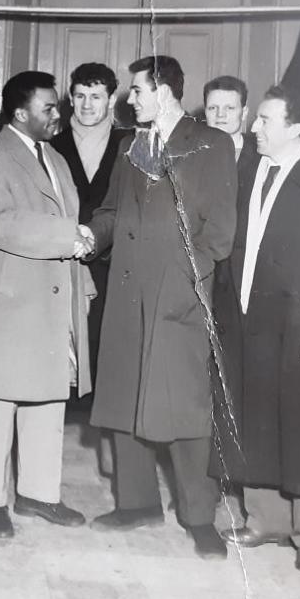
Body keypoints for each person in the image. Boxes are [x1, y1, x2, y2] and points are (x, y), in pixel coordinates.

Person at [85, 55, 237, 559]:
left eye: (137, 90)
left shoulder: (211, 144)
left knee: (186, 410)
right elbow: (111, 210)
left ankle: (200, 518)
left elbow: (218, 235)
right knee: (126, 398)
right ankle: (136, 504)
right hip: (128, 293)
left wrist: (185, 281)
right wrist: (92, 234)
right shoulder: (131, 145)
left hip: (179, 295)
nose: (130, 99)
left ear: (165, 92)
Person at [214, 85, 300, 573]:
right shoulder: (250, 172)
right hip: (252, 322)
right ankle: (264, 518)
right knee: (256, 419)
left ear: (295, 127)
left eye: (265, 120)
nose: (254, 128)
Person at [0, 71, 94, 539]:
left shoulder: (56, 158)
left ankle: (39, 493)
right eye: (49, 107)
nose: (58, 114)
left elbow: (70, 216)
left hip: (57, 288)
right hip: (16, 294)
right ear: (20, 112)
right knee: (0, 396)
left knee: (48, 394)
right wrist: (69, 237)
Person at [51, 62, 129, 395]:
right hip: (63, 268)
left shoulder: (131, 145)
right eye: (80, 96)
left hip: (114, 268)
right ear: (70, 97)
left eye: (95, 97)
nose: (86, 105)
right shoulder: (51, 145)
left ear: (111, 100)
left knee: (108, 365)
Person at [204, 75, 255, 174]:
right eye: (213, 108)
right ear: (205, 112)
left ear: (244, 113)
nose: (220, 114)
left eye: (229, 108)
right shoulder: (190, 153)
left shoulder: (260, 153)